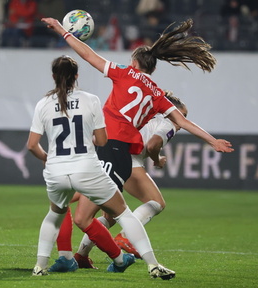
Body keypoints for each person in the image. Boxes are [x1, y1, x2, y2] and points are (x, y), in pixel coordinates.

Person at [40, 17, 233, 278]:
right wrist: (212, 141)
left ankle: (106, 258)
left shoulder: (124, 72)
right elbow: (183, 121)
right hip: (118, 154)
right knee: (107, 211)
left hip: (111, 150)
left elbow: (88, 55)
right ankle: (121, 259)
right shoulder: (159, 94)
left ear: (134, 62)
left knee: (86, 215)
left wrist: (62, 31)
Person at [28, 55, 173, 279]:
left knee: (54, 215)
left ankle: (41, 266)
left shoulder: (43, 104)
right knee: (123, 213)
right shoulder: (90, 99)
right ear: (77, 76)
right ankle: (153, 265)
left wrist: (49, 159)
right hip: (86, 168)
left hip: (57, 170)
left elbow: (31, 146)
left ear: (53, 76)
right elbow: (102, 140)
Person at [51, 91, 187, 265]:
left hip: (111, 156)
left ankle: (81, 255)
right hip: (128, 161)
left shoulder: (147, 115)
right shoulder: (169, 123)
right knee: (156, 203)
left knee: (108, 214)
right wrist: (157, 160)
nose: (184, 122)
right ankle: (125, 237)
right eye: (183, 115)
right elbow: (152, 145)